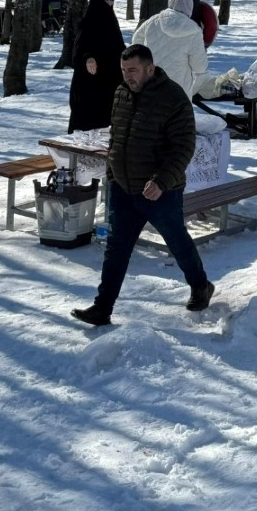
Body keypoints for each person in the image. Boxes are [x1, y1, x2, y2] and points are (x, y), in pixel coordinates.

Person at [71, 45, 213, 326]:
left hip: (160, 190)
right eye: (124, 71)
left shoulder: (173, 98)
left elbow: (184, 146)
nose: (128, 77)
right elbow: (117, 136)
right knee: (116, 249)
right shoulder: (122, 92)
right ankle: (103, 307)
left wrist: (162, 181)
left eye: (133, 71)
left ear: (150, 68)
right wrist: (112, 170)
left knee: (177, 241)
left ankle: (200, 286)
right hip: (123, 187)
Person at [130, 0, 207, 98]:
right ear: (190, 6)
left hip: (151, 82)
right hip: (179, 89)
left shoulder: (152, 21)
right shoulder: (194, 30)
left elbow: (136, 42)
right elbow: (200, 67)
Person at [68, 0, 124, 132]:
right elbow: (78, 51)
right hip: (90, 81)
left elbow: (118, 46)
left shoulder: (112, 21)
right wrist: (87, 58)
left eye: (112, 0)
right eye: (107, 0)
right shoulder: (88, 22)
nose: (110, 4)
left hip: (110, 80)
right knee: (87, 125)